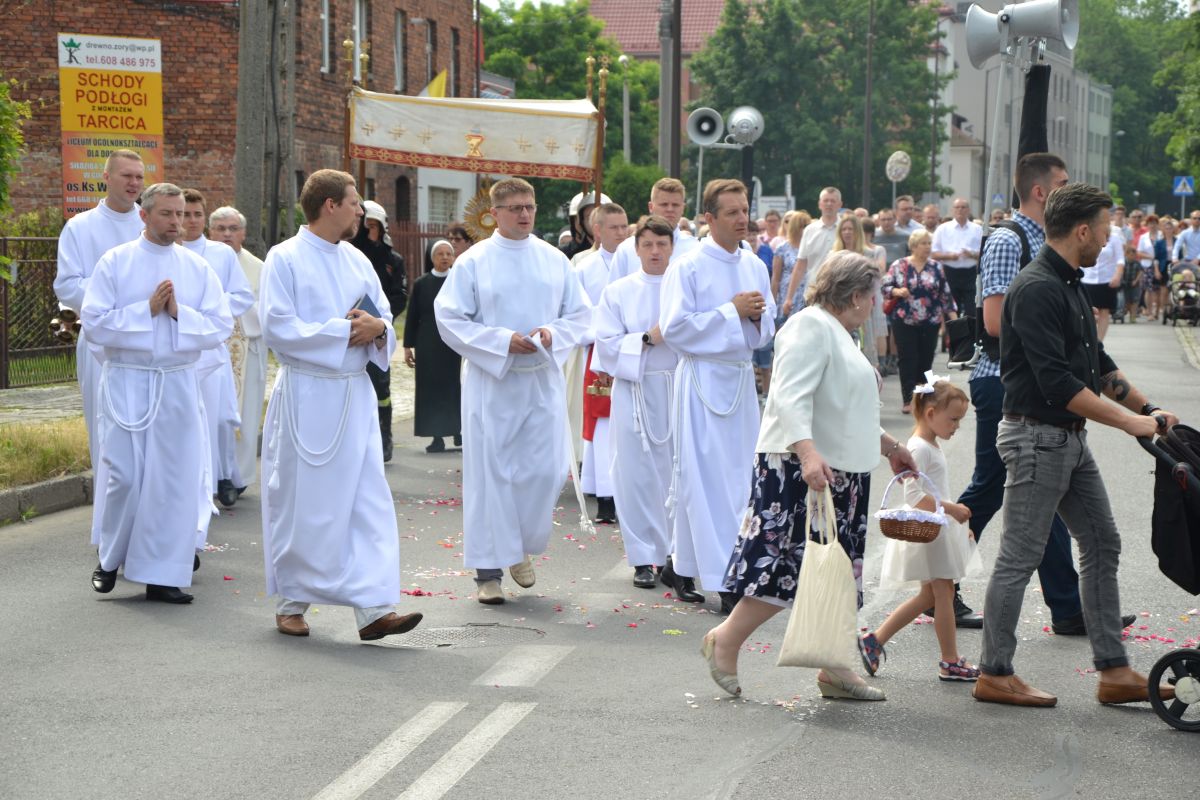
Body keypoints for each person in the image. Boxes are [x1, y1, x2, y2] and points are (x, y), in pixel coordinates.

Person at [974, 182, 1180, 708]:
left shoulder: (1068, 282)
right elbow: (1058, 384)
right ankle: (994, 672)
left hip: (1066, 441)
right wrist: (1128, 424)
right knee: (1019, 558)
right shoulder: (1038, 286)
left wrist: (1146, 408)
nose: (1109, 240)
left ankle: (1113, 671)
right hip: (1036, 439)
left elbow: (1098, 363)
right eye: (1106, 231)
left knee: (1102, 542)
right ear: (1083, 231)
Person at [702, 252, 917, 700]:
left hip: (840, 469)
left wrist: (891, 447)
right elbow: (788, 396)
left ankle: (834, 665)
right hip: (803, 468)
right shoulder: (809, 326)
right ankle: (725, 640)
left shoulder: (839, 332)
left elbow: (847, 408)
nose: (874, 305)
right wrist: (807, 453)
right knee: (784, 568)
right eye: (871, 296)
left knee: (836, 573)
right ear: (856, 295)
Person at [260, 169, 422, 641]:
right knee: (304, 500)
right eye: (354, 202)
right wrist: (343, 331)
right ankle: (291, 602)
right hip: (308, 393)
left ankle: (373, 609)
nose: (359, 210)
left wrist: (379, 330)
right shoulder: (284, 258)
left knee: (365, 498)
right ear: (329, 205)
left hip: (353, 392)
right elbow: (278, 328)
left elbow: (382, 318)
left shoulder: (356, 259)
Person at [955, 153, 1109, 635]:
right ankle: (938, 581)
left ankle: (1066, 606)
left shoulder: (1049, 242)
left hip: (1032, 385)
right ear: (1041, 192)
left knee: (1048, 492)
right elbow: (995, 321)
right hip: (1003, 381)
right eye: (1063, 183)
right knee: (986, 492)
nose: (1070, 187)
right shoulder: (1008, 238)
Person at [434, 177, 591, 605]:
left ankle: (518, 544)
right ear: (496, 213)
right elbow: (450, 318)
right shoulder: (474, 261)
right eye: (516, 208)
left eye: (530, 207)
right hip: (493, 381)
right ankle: (487, 572)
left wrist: (550, 332)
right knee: (493, 473)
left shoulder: (554, 259)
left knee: (545, 470)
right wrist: (502, 340)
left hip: (540, 376)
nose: (525, 214)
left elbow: (580, 314)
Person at [84, 182, 233, 604]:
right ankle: (110, 558)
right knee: (125, 477)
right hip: (128, 381)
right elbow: (94, 322)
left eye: (182, 214)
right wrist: (144, 311)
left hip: (176, 382)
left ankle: (163, 575)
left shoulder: (196, 267)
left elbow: (221, 324)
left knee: (172, 481)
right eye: (167, 214)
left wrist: (178, 313)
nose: (177, 222)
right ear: (144, 215)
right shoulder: (115, 262)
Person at [660, 179, 776, 612]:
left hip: (740, 380)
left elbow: (767, 326)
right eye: (731, 212)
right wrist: (731, 311)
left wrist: (753, 319)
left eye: (744, 209)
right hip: (702, 381)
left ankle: (682, 562)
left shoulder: (754, 265)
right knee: (708, 480)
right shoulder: (687, 266)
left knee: (740, 479)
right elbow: (674, 329)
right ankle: (727, 578)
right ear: (709, 218)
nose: (742, 218)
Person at [864, 376, 981, 683]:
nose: (956, 426)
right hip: (931, 531)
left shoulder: (929, 445)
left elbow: (935, 490)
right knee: (943, 593)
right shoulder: (919, 448)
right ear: (931, 414)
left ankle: (874, 640)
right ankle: (950, 660)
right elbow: (914, 496)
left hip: (939, 529)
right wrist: (952, 510)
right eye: (953, 419)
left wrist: (957, 523)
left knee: (929, 596)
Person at [593, 215, 678, 589]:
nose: (655, 252)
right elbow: (607, 344)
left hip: (677, 389)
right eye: (648, 245)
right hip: (635, 388)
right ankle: (643, 557)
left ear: (672, 247)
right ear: (637, 247)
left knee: (677, 474)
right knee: (633, 473)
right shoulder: (619, 290)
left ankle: (676, 556)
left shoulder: (684, 288)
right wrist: (647, 338)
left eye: (662, 244)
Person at [54, 148, 146, 470]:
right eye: (127, 176)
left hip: (147, 339)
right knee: (104, 425)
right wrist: (116, 297)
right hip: (100, 341)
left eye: (139, 177)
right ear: (106, 177)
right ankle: (107, 508)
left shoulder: (151, 222)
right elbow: (66, 286)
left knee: (147, 428)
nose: (134, 183)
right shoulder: (80, 227)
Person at [181, 189, 255, 508]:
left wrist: (209, 310)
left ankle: (225, 475)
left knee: (222, 417)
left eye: (197, 214)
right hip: (179, 345)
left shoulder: (221, 254)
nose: (191, 220)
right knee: (186, 418)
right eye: (185, 214)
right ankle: (189, 481)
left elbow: (241, 296)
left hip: (212, 346)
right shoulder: (168, 251)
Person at [574, 202, 630, 522]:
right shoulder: (585, 268)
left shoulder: (638, 263)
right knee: (603, 424)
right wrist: (603, 328)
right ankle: (605, 497)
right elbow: (576, 316)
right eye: (614, 227)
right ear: (598, 230)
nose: (622, 233)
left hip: (632, 352)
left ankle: (628, 492)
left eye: (625, 226)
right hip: (598, 352)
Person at [208, 206, 268, 490]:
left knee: (245, 414)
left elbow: (267, 311)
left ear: (243, 233)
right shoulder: (200, 260)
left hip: (246, 349)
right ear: (211, 231)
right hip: (210, 351)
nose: (227, 234)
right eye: (221, 228)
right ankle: (213, 473)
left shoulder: (257, 268)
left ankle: (238, 477)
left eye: (233, 229)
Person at [350, 199, 407, 461]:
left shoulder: (393, 260)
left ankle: (385, 437)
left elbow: (399, 295)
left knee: (381, 388)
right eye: (367, 226)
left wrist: (380, 319)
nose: (371, 231)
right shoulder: (352, 256)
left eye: (375, 226)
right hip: (352, 327)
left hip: (379, 329)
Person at [882, 229, 957, 413]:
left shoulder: (936, 267)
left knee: (926, 359)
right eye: (923, 243)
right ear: (914, 246)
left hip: (930, 320)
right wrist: (897, 292)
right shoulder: (900, 265)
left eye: (929, 243)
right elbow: (885, 287)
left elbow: (945, 295)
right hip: (904, 319)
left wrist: (954, 322)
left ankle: (923, 399)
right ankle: (908, 399)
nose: (927, 247)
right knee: (907, 359)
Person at [403, 240, 462, 453]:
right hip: (428, 343)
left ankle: (458, 431)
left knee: (456, 387)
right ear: (432, 258)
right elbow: (412, 317)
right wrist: (408, 346)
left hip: (454, 343)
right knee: (431, 390)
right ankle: (437, 437)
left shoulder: (459, 281)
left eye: (449, 253)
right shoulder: (421, 283)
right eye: (440, 254)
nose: (445, 257)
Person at [606, 178, 699, 285]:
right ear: (651, 206)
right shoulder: (627, 249)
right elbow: (614, 293)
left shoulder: (694, 248)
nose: (670, 209)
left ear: (683, 208)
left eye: (675, 205)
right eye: (664, 204)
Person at [781, 187, 841, 317]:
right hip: (814, 292)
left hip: (840, 293)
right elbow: (800, 265)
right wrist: (789, 297)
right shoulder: (810, 230)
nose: (829, 204)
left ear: (840, 204)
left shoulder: (845, 229)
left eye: (833, 201)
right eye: (826, 201)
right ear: (820, 204)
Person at [931, 198, 983, 320]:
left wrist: (971, 254)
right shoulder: (943, 229)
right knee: (951, 309)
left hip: (970, 272)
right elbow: (933, 254)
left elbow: (984, 252)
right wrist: (949, 256)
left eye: (963, 207)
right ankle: (951, 338)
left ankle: (971, 338)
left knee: (972, 309)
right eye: (957, 207)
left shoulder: (977, 229)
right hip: (950, 272)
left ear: (968, 210)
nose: (960, 210)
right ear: (952, 210)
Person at [1081, 220, 1124, 340]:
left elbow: (1120, 259)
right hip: (1087, 279)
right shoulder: (1089, 235)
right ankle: (1090, 340)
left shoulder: (1114, 239)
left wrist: (1117, 275)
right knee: (1089, 312)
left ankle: (1099, 342)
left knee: (1104, 311)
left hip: (1107, 279)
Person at [770, 210, 809, 318]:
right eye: (802, 225)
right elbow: (776, 279)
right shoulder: (782, 248)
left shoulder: (811, 247)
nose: (805, 228)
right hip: (788, 296)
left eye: (807, 225)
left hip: (807, 295)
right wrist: (772, 302)